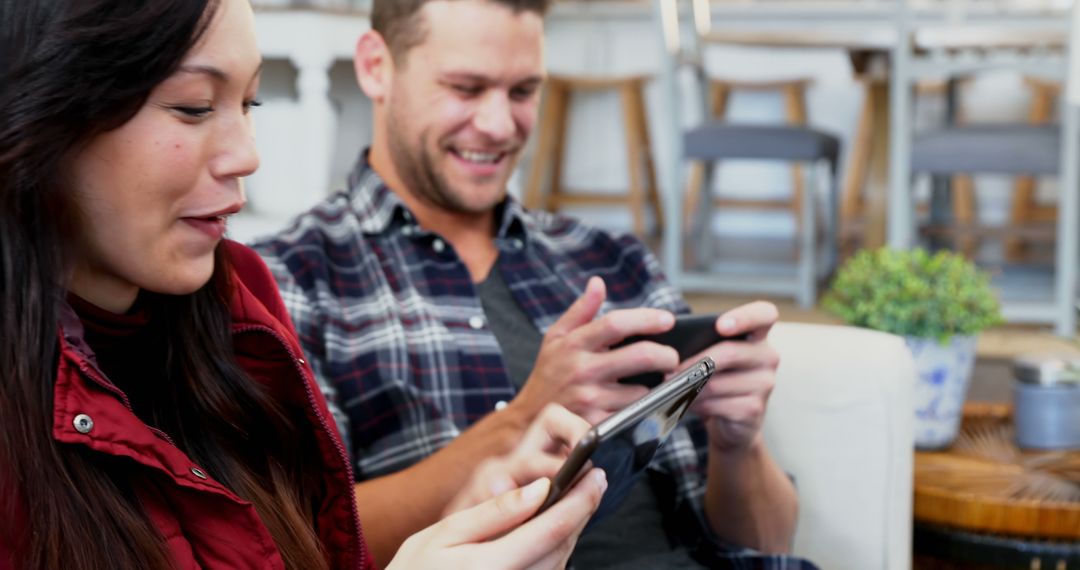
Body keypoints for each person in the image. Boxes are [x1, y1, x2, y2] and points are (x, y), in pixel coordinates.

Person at [0, 0, 607, 568]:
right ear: (42, 107)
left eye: (250, 104)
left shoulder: (240, 311)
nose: (247, 154)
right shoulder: (294, 278)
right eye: (193, 105)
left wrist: (467, 510)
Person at [254, 0, 818, 568]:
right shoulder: (293, 280)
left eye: (523, 92)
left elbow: (769, 545)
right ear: (377, 66)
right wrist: (523, 416)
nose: (500, 126)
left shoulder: (611, 258)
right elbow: (295, 540)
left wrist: (737, 443)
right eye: (466, 88)